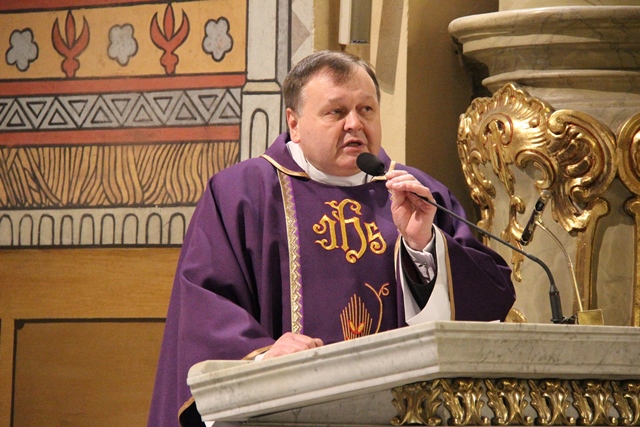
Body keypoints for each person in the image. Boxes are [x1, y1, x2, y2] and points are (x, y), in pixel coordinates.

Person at [147, 50, 515, 427]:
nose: (354, 124)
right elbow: (203, 309)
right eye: (336, 112)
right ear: (294, 123)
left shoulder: (418, 194)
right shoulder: (240, 195)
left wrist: (424, 247)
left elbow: (485, 303)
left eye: (366, 109)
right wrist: (261, 355)